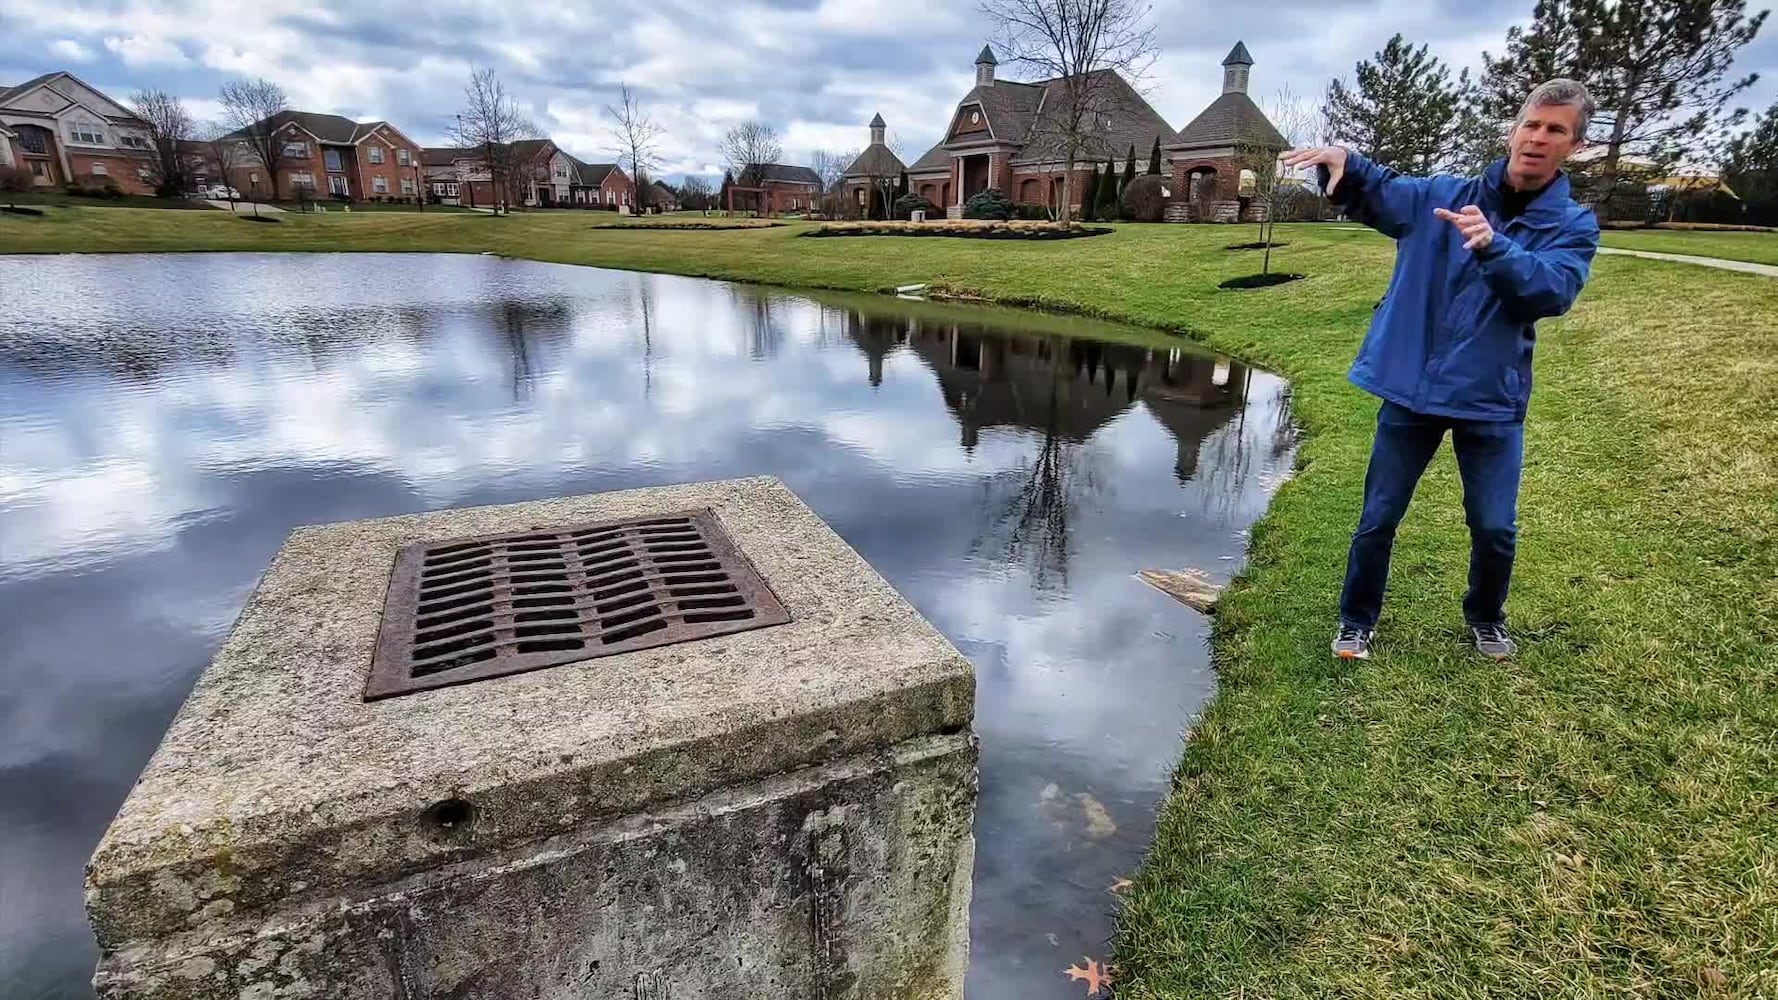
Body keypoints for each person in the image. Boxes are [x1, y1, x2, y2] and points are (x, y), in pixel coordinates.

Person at [1280, 79, 1600, 662]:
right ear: (1514, 129)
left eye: (1555, 130)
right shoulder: (1445, 195)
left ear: (1573, 146)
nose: (1537, 138)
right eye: (1531, 124)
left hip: (1491, 400)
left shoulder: (1573, 225)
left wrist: (1494, 247)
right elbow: (1384, 190)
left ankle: (1486, 617)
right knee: (1378, 517)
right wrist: (1346, 166)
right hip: (1413, 391)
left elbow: (1552, 291)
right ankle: (1356, 621)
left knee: (1495, 527)